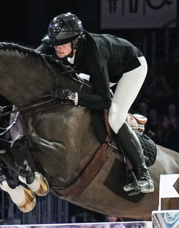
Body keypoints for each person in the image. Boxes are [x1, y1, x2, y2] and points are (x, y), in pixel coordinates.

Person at [36, 12, 152, 194]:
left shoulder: (92, 53)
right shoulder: (59, 43)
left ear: (76, 41)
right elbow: (32, 58)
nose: (56, 47)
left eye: (61, 42)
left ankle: (143, 174)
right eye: (54, 42)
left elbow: (105, 100)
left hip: (130, 69)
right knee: (76, 80)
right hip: (107, 69)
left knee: (114, 117)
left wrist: (73, 97)